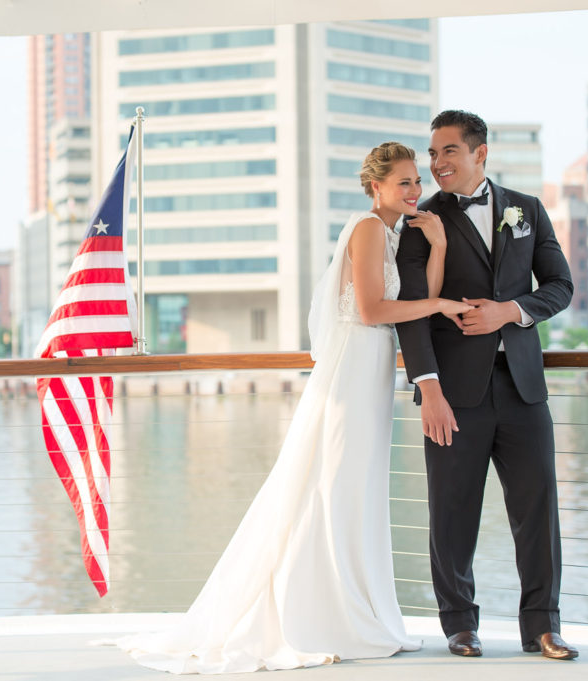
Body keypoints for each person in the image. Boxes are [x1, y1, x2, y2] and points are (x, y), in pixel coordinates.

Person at [111, 142, 471, 674]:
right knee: (334, 482)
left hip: (373, 370)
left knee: (356, 486)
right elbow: (373, 310)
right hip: (353, 368)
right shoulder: (369, 229)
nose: (416, 190)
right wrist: (439, 302)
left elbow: (415, 300)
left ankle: (352, 606)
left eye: (417, 181)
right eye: (404, 182)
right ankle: (319, 613)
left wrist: (438, 248)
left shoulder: (395, 233)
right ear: (376, 186)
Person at [395, 110, 577, 660]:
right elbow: (411, 311)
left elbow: (560, 286)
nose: (437, 163)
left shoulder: (528, 209)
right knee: (451, 510)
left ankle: (543, 627)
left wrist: (510, 311)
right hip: (452, 392)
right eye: (432, 153)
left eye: (448, 151)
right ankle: (459, 625)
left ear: (480, 153)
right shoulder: (420, 219)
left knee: (537, 508)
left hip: (523, 388)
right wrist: (429, 389)